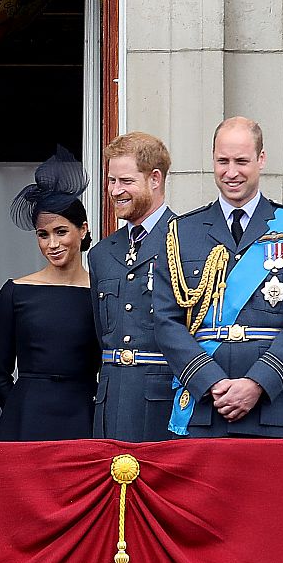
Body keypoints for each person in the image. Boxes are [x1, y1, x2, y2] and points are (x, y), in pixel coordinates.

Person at [153, 117, 283, 438]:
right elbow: (166, 320)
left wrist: (257, 383)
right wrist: (211, 381)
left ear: (261, 159)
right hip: (205, 407)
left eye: (241, 161)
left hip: (274, 409)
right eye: (223, 161)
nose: (231, 172)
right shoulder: (181, 232)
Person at [0, 147, 100, 441]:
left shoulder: (101, 293)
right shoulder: (15, 292)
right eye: (43, 234)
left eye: (61, 231)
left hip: (84, 419)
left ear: (83, 230)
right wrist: (19, 412)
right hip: (25, 423)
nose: (52, 243)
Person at [89, 132, 178, 442]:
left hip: (164, 403)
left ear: (155, 179)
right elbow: (102, 333)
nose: (114, 190)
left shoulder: (186, 242)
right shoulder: (101, 253)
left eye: (125, 181)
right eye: (111, 181)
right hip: (111, 401)